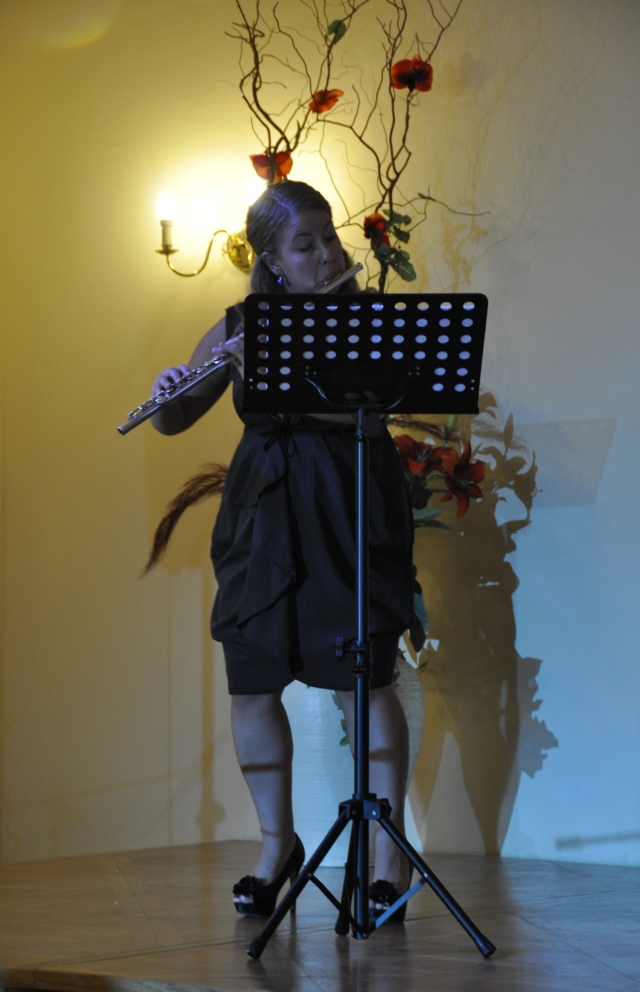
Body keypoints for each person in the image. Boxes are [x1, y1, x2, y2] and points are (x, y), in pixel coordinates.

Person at [150, 180, 414, 922]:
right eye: (306, 244)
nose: (326, 253)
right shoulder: (240, 325)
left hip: (346, 506)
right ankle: (277, 849)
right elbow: (173, 419)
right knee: (252, 682)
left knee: (364, 679)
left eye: (329, 237)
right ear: (271, 261)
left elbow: (381, 409)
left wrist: (282, 378)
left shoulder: (366, 319)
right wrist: (167, 390)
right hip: (263, 516)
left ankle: (389, 854)